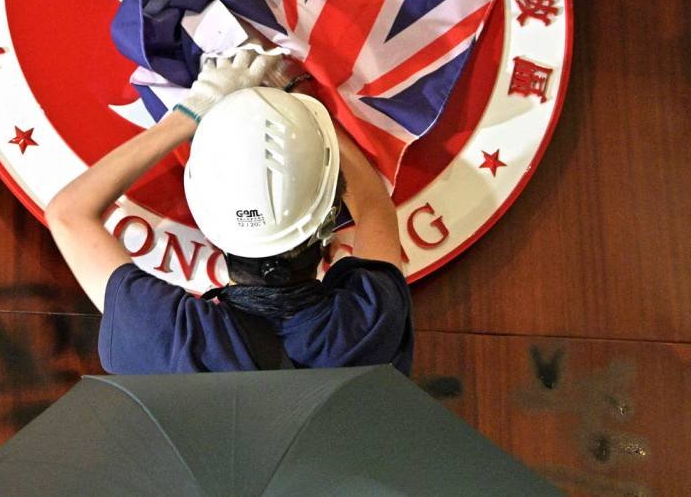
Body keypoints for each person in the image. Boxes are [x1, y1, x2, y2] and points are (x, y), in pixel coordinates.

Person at [43, 48, 413, 374]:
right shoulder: (370, 322)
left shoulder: (171, 340)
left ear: (206, 222)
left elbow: (68, 212)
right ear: (329, 217)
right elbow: (374, 205)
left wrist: (192, 111)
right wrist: (296, 101)